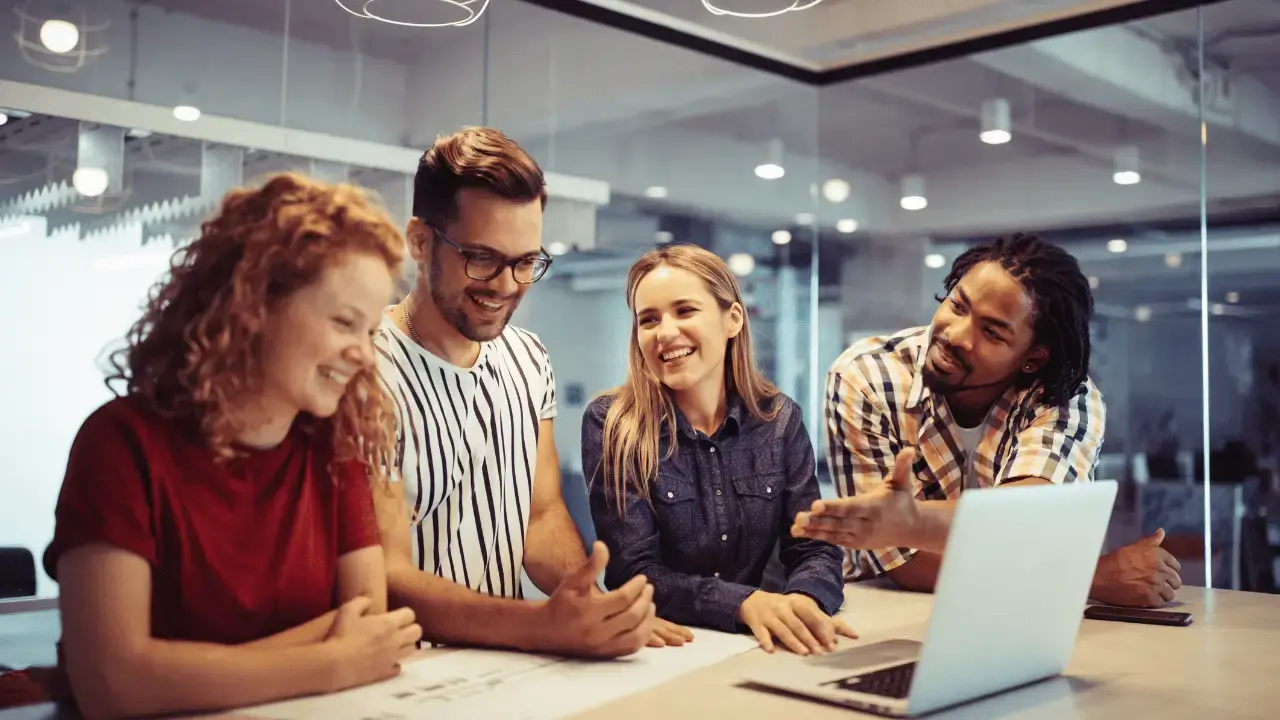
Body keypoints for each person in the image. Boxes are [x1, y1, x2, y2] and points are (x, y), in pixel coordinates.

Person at [28, 174, 422, 718]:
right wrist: (328, 663)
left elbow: (368, 621)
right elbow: (111, 685)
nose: (363, 355)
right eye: (343, 323)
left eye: (370, 331)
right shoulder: (120, 443)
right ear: (254, 305)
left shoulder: (335, 448)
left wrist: (172, 671)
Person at [374, 127, 657, 659]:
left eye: (525, 261)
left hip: (506, 670)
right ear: (420, 240)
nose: (505, 285)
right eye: (481, 258)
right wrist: (539, 625)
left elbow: (541, 517)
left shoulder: (528, 358)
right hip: (406, 672)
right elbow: (385, 573)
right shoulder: (363, 367)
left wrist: (593, 607)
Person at [794, 233, 1183, 609]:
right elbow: (905, 564)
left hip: (1025, 615)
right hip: (891, 612)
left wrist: (909, 523)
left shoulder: (1062, 396)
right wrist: (1089, 578)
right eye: (958, 306)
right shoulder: (866, 377)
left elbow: (1031, 518)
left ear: (1034, 357)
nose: (957, 335)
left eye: (992, 332)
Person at [583, 244, 855, 656]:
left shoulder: (778, 419)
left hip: (760, 645)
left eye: (685, 310)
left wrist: (805, 600)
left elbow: (813, 545)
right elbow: (632, 573)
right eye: (649, 320)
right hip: (664, 651)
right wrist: (743, 603)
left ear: (732, 319)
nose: (665, 332)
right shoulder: (614, 423)